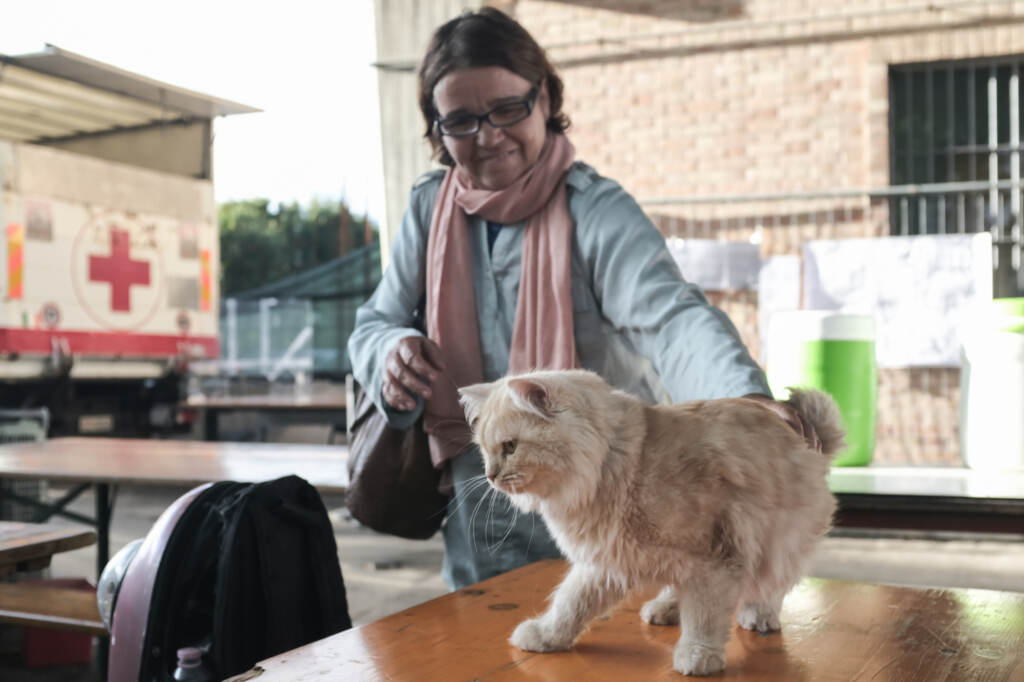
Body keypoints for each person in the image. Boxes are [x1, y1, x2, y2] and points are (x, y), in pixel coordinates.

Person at [348, 7, 818, 590]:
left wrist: (742, 399)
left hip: (614, 501)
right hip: (485, 500)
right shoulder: (429, 207)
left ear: (544, 97)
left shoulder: (594, 208)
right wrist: (391, 349)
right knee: (483, 635)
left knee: (620, 635)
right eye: (461, 121)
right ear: (436, 129)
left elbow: (671, 318)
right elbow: (375, 322)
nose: (488, 137)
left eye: (507, 109)